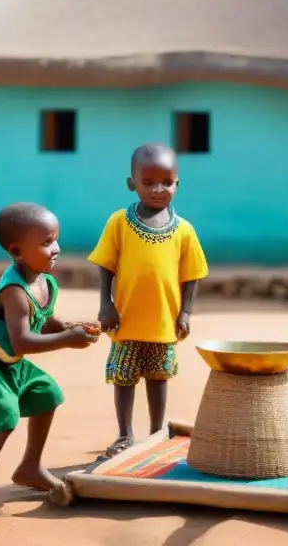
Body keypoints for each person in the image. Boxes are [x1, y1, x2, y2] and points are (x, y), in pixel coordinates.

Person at [0, 203, 99, 523]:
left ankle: (30, 467)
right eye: (46, 242)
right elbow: (23, 342)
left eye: (56, 238)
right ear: (16, 250)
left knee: (48, 394)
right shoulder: (14, 291)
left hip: (6, 358)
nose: (56, 248)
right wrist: (67, 340)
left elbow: (42, 319)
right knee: (4, 415)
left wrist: (69, 326)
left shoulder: (45, 280)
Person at [88, 142, 208, 459]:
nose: (158, 189)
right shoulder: (119, 222)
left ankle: (157, 433)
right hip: (126, 318)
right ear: (132, 184)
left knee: (158, 378)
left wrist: (185, 313)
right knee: (123, 378)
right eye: (148, 182)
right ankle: (125, 434)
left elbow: (192, 275)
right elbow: (106, 266)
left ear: (177, 184)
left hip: (163, 321)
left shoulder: (184, 230)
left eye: (166, 183)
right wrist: (105, 303)